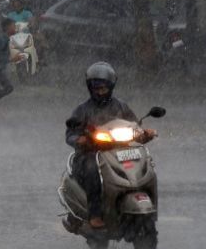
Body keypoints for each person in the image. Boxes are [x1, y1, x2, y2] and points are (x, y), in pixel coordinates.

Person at [64, 62, 155, 228]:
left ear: (111, 87)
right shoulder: (82, 110)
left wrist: (145, 134)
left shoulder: (121, 106)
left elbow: (135, 126)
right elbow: (70, 134)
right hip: (90, 153)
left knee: (146, 162)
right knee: (92, 170)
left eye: (104, 88)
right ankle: (95, 214)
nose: (100, 91)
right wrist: (80, 140)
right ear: (90, 88)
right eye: (96, 88)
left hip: (119, 151)